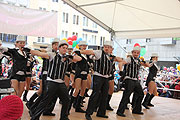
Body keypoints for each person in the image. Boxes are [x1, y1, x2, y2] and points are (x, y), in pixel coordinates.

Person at [30, 40, 82, 120]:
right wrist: (29, 50)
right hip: (51, 82)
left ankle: (64, 117)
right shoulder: (52, 55)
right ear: (59, 48)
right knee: (45, 101)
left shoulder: (68, 58)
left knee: (67, 100)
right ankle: (35, 117)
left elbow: (79, 59)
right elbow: (40, 54)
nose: (65, 49)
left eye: (66, 48)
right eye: (63, 48)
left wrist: (70, 56)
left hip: (61, 83)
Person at [80, 41, 124, 120]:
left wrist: (115, 59)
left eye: (109, 47)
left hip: (106, 77)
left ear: (112, 49)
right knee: (95, 94)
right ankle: (88, 113)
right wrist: (80, 51)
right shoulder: (99, 52)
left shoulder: (111, 56)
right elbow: (90, 51)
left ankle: (101, 113)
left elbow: (120, 60)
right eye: (105, 46)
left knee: (104, 96)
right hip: (98, 76)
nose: (107, 48)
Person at [116, 46, 150, 117]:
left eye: (137, 53)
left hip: (135, 80)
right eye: (134, 52)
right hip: (129, 79)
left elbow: (148, 65)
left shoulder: (138, 60)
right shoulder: (129, 59)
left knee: (141, 94)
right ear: (132, 53)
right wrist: (121, 71)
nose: (136, 54)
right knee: (126, 95)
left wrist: (143, 61)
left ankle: (136, 109)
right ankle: (120, 111)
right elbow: (121, 63)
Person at [68, 41, 90, 113]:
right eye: (83, 45)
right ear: (79, 46)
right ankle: (68, 107)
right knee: (77, 90)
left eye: (85, 45)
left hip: (85, 73)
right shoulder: (77, 53)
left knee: (83, 91)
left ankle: (77, 106)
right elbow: (75, 59)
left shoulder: (87, 55)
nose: (84, 47)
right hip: (78, 73)